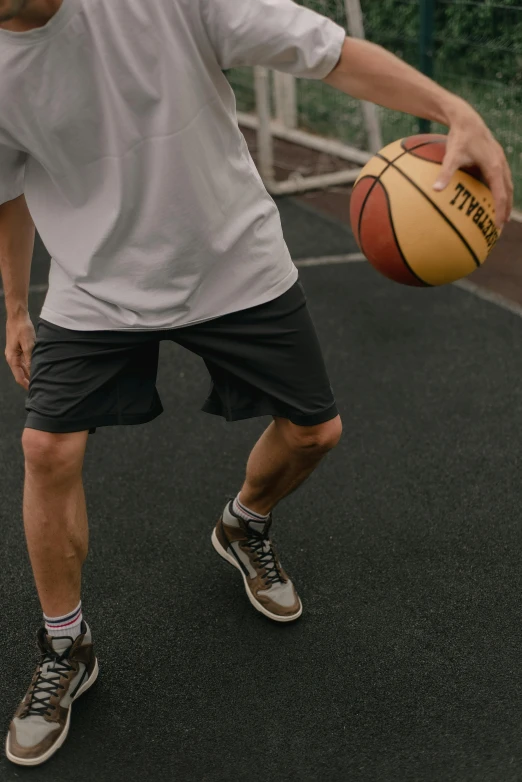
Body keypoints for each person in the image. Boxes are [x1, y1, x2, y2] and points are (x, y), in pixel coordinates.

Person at [0, 0, 512, 767]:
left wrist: (451, 107)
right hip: (93, 279)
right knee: (45, 449)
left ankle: (244, 523)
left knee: (316, 432)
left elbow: (328, 51)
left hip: (232, 258)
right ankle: (67, 647)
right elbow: (7, 191)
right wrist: (15, 306)